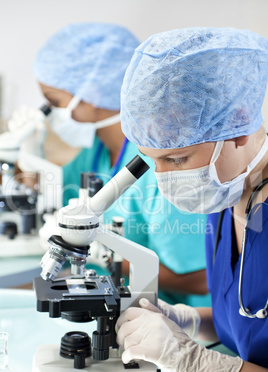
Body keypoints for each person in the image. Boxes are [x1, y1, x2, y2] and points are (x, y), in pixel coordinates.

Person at [116, 27, 268, 372]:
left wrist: (194, 362)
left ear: (239, 125)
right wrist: (186, 323)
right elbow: (245, 324)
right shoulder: (222, 197)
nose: (164, 178)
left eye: (177, 157)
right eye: (154, 161)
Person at [29, 22, 210, 306]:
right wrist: (26, 154)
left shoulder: (164, 162)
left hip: (184, 325)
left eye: (55, 102)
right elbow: (58, 196)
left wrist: (103, 252)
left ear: (94, 93)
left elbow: (202, 279)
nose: (53, 115)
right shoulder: (97, 152)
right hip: (120, 303)